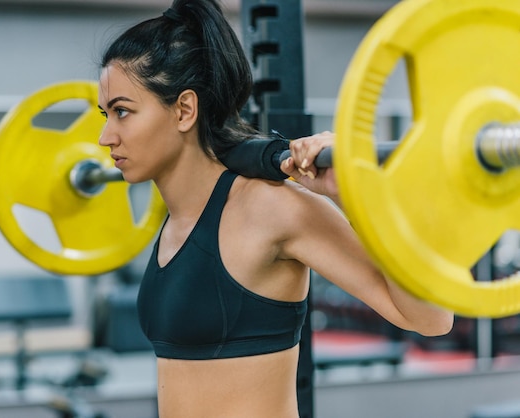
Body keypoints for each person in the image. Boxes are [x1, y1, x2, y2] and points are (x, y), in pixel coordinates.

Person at [96, 0, 454, 417]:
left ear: (184, 110)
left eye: (122, 112)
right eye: (106, 114)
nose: (106, 136)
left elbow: (432, 319)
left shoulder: (269, 209)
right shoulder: (175, 221)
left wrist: (351, 195)